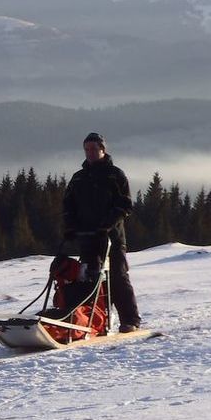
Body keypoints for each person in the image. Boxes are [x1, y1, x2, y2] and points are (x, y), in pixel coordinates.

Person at [62, 132, 142, 333]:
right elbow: (68, 205)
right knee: (88, 279)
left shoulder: (115, 175)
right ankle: (93, 321)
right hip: (87, 238)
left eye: (93, 149)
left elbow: (125, 205)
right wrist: (70, 226)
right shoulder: (78, 178)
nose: (89, 153)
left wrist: (107, 225)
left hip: (112, 238)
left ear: (103, 150)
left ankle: (130, 320)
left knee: (117, 277)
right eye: (86, 149)